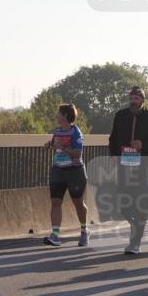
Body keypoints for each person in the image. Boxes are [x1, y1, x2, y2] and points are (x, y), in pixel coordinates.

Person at [107, 87, 148, 254]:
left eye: (136, 99)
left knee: (140, 206)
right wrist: (113, 155)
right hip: (124, 167)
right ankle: (135, 224)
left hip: (144, 169)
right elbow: (113, 139)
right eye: (131, 98)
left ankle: (135, 243)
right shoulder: (120, 116)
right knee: (121, 203)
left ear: (142, 101)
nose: (133, 101)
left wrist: (143, 145)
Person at [42, 103, 89, 247]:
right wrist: (49, 145)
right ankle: (55, 235)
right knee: (55, 202)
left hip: (74, 172)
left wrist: (62, 147)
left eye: (59, 113)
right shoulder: (57, 131)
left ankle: (84, 231)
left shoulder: (76, 132)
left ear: (66, 116)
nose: (56, 115)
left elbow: (77, 154)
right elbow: (55, 144)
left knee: (78, 203)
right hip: (58, 170)